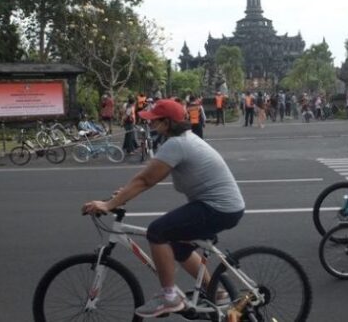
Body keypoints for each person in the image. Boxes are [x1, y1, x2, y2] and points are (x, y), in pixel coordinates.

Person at [82, 99, 245, 318]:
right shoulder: (183, 140)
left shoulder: (177, 144)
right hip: (221, 207)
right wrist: (122, 196)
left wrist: (110, 204)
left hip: (218, 208)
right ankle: (215, 291)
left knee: (157, 232)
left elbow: (145, 181)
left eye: (155, 121)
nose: (151, 125)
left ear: (167, 123)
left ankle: (170, 297)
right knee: (178, 247)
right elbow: (147, 178)